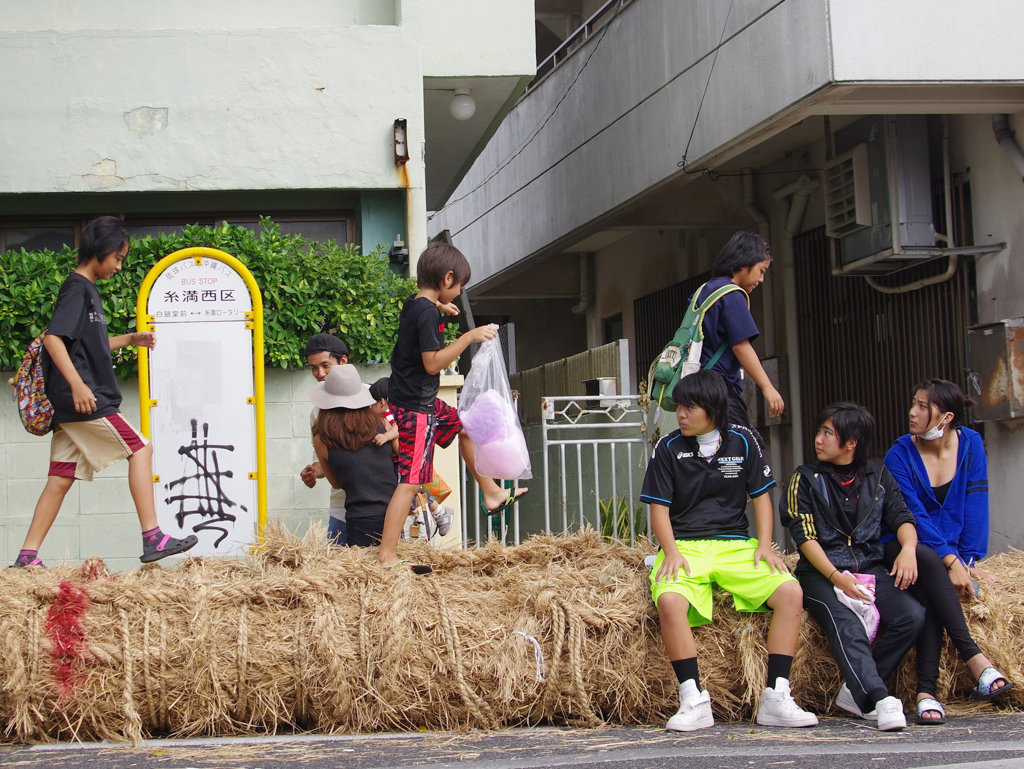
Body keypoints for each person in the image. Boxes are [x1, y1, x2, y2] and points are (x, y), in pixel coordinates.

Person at [12, 215, 197, 568]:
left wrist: (130, 339)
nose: (119, 266)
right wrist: (78, 385)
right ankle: (153, 536)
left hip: (72, 405)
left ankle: (27, 556)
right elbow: (54, 339)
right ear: (103, 250)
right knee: (141, 448)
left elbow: (85, 345)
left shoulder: (86, 291)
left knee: (60, 479)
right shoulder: (77, 288)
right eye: (118, 258)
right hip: (84, 400)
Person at [640, 370, 817, 731]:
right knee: (670, 600)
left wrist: (766, 545)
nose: (682, 415)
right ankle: (693, 698)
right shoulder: (668, 447)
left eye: (690, 408)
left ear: (714, 410)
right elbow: (658, 508)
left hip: (736, 545)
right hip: (686, 545)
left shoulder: (744, 441)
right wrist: (670, 552)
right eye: (680, 408)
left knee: (790, 592)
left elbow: (761, 498)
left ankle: (776, 696)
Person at [377, 241, 528, 569]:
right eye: (459, 286)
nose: (459, 293)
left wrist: (441, 307)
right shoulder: (426, 312)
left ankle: (492, 493)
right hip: (416, 408)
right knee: (411, 480)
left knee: (466, 428)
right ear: (447, 279)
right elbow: (432, 365)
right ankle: (387, 557)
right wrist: (467, 338)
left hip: (421, 401)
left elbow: (418, 313)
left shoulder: (418, 304)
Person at [780, 402, 924, 731]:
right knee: (846, 623)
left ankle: (854, 689)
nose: (818, 439)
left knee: (912, 616)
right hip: (819, 574)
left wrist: (909, 549)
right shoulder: (804, 479)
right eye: (819, 431)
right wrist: (835, 577)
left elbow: (901, 516)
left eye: (827, 433)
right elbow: (804, 538)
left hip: (869, 567)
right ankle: (876, 696)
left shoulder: (878, 475)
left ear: (851, 443)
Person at [883, 379, 1014, 724]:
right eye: (914, 403)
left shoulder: (971, 444)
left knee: (931, 594)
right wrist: (951, 560)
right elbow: (913, 515)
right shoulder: (899, 454)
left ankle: (926, 692)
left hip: (949, 555)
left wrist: (968, 561)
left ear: (947, 417)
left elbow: (976, 503)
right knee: (930, 564)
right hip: (905, 546)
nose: (912, 412)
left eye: (924, 406)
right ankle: (976, 661)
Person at [696, 231, 784, 433]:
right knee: (747, 450)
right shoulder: (732, 295)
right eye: (761, 271)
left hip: (695, 387)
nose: (761, 279)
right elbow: (741, 345)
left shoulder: (704, 291)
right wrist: (767, 388)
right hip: (719, 388)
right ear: (744, 264)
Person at [311, 364, 398, 547]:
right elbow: (400, 452)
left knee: (365, 573)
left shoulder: (322, 438)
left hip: (360, 517)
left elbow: (336, 483)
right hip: (395, 512)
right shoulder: (381, 423)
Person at [370, 376, 453, 538]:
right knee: (411, 488)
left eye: (372, 403)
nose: (369, 407)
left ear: (381, 402)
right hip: (403, 458)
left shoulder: (390, 412)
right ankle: (440, 512)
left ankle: (440, 511)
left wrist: (386, 436)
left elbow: (398, 428)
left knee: (408, 488)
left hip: (403, 459)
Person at [299, 333, 350, 545]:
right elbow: (322, 462)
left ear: (343, 361)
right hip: (340, 510)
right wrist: (314, 471)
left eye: (326, 365)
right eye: (313, 368)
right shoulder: (317, 412)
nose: (320, 373)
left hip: (379, 507)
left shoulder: (373, 398)